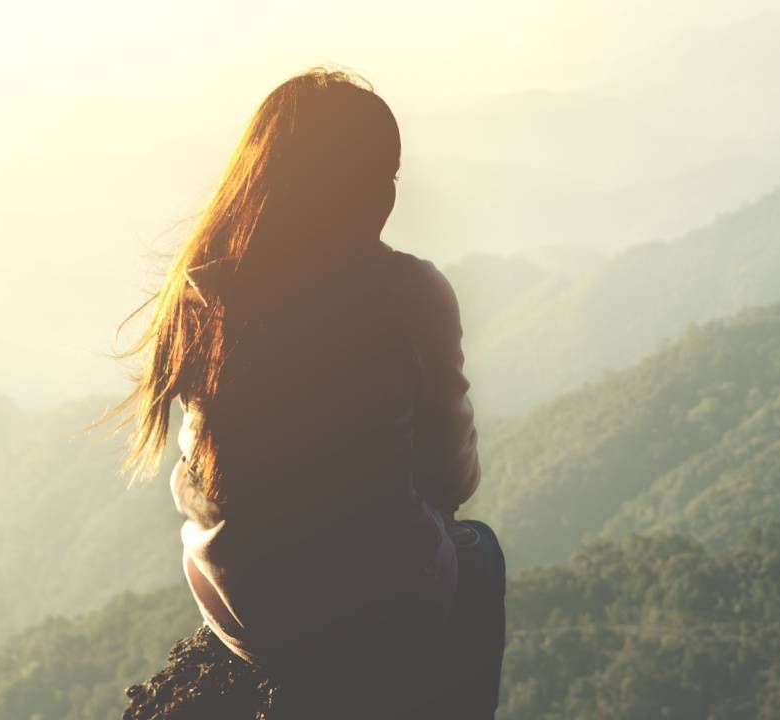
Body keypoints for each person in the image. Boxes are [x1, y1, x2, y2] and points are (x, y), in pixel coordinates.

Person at [107, 69, 504, 717]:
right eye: (382, 175)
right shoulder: (410, 293)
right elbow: (453, 476)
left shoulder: (206, 296)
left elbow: (196, 481)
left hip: (248, 618)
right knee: (480, 553)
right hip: (386, 610)